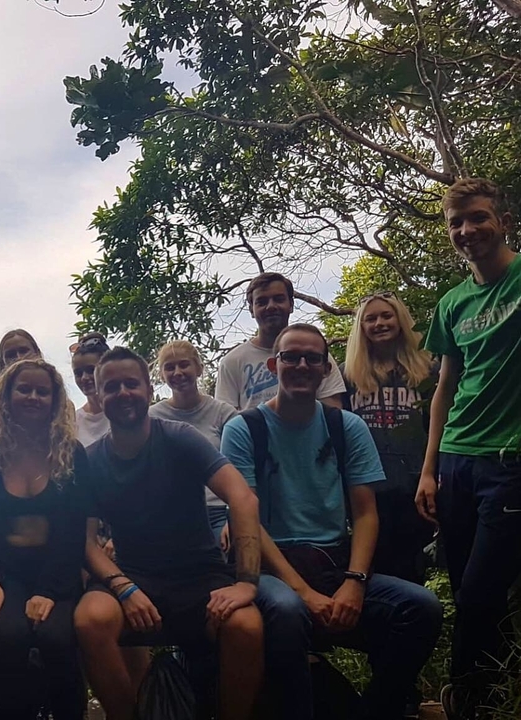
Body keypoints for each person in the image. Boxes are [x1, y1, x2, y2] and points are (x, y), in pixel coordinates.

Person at [222, 323, 443, 720]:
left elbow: (364, 511)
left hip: (334, 563)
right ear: (274, 365)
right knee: (288, 611)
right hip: (272, 569)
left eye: (313, 358)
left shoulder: (346, 427)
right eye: (291, 357)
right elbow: (247, 521)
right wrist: (304, 593)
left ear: (327, 370)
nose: (302, 365)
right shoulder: (244, 429)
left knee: (421, 607)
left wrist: (355, 583)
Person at [75, 346, 264, 720]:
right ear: (99, 395)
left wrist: (245, 582)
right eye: (111, 387)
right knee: (89, 619)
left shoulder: (179, 438)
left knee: (246, 625)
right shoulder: (92, 459)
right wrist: (123, 587)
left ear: (148, 389)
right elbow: (84, 539)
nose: (123, 393)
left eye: (132, 383)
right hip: (133, 575)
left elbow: (242, 498)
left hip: (198, 573)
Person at [415, 178, 521, 719]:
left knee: (482, 590)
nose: (467, 231)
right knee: (465, 591)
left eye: (478, 217)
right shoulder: (452, 302)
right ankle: (491, 696)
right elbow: (444, 388)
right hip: (456, 458)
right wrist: (429, 469)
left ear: (501, 218)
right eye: (457, 223)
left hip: (509, 461)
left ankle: (462, 698)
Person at [0, 358, 86, 720]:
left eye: (42, 391)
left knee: (55, 636)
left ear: (54, 400)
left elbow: (73, 532)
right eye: (24, 389)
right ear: (7, 396)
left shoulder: (71, 454)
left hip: (59, 573)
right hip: (7, 575)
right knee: (10, 633)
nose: (33, 397)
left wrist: (49, 590)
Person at [342, 293, 437, 584]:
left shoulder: (427, 371)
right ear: (361, 328)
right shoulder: (347, 378)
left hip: (414, 486)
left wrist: (432, 474)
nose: (379, 323)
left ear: (400, 321)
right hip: (366, 490)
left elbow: (438, 426)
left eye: (386, 315)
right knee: (371, 571)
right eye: (370, 318)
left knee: (413, 570)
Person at [150, 339, 237, 553]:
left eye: (184, 364)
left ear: (198, 368)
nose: (177, 372)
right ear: (162, 375)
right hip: (170, 514)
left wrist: (234, 519)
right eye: (169, 367)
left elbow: (242, 469)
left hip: (218, 510)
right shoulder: (152, 418)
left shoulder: (224, 414)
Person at [215, 272, 345, 409]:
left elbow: (333, 410)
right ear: (251, 310)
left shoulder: (316, 356)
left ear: (291, 304)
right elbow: (225, 418)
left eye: (278, 299)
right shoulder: (232, 362)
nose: (271, 306)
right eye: (262, 302)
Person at [70, 333, 111, 446]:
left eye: (91, 370)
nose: (84, 378)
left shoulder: (124, 410)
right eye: (78, 373)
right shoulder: (73, 422)